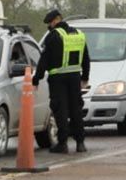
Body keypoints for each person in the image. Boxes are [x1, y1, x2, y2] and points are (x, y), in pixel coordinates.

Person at [33, 9, 90, 153]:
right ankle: (80, 143)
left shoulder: (53, 36)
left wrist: (36, 79)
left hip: (58, 79)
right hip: (75, 78)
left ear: (54, 21)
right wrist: (85, 77)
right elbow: (85, 58)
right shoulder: (78, 35)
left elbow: (44, 60)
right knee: (76, 109)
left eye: (49, 24)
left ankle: (62, 143)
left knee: (61, 111)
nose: (49, 26)